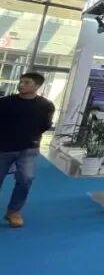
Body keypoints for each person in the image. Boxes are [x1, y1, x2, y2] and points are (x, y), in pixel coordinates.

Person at [0, 72, 55, 228]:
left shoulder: (46, 105)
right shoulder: (5, 102)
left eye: (27, 82)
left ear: (36, 86)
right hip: (3, 148)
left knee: (26, 179)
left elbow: (45, 125)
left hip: (28, 149)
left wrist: (30, 135)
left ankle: (13, 212)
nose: (22, 85)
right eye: (21, 82)